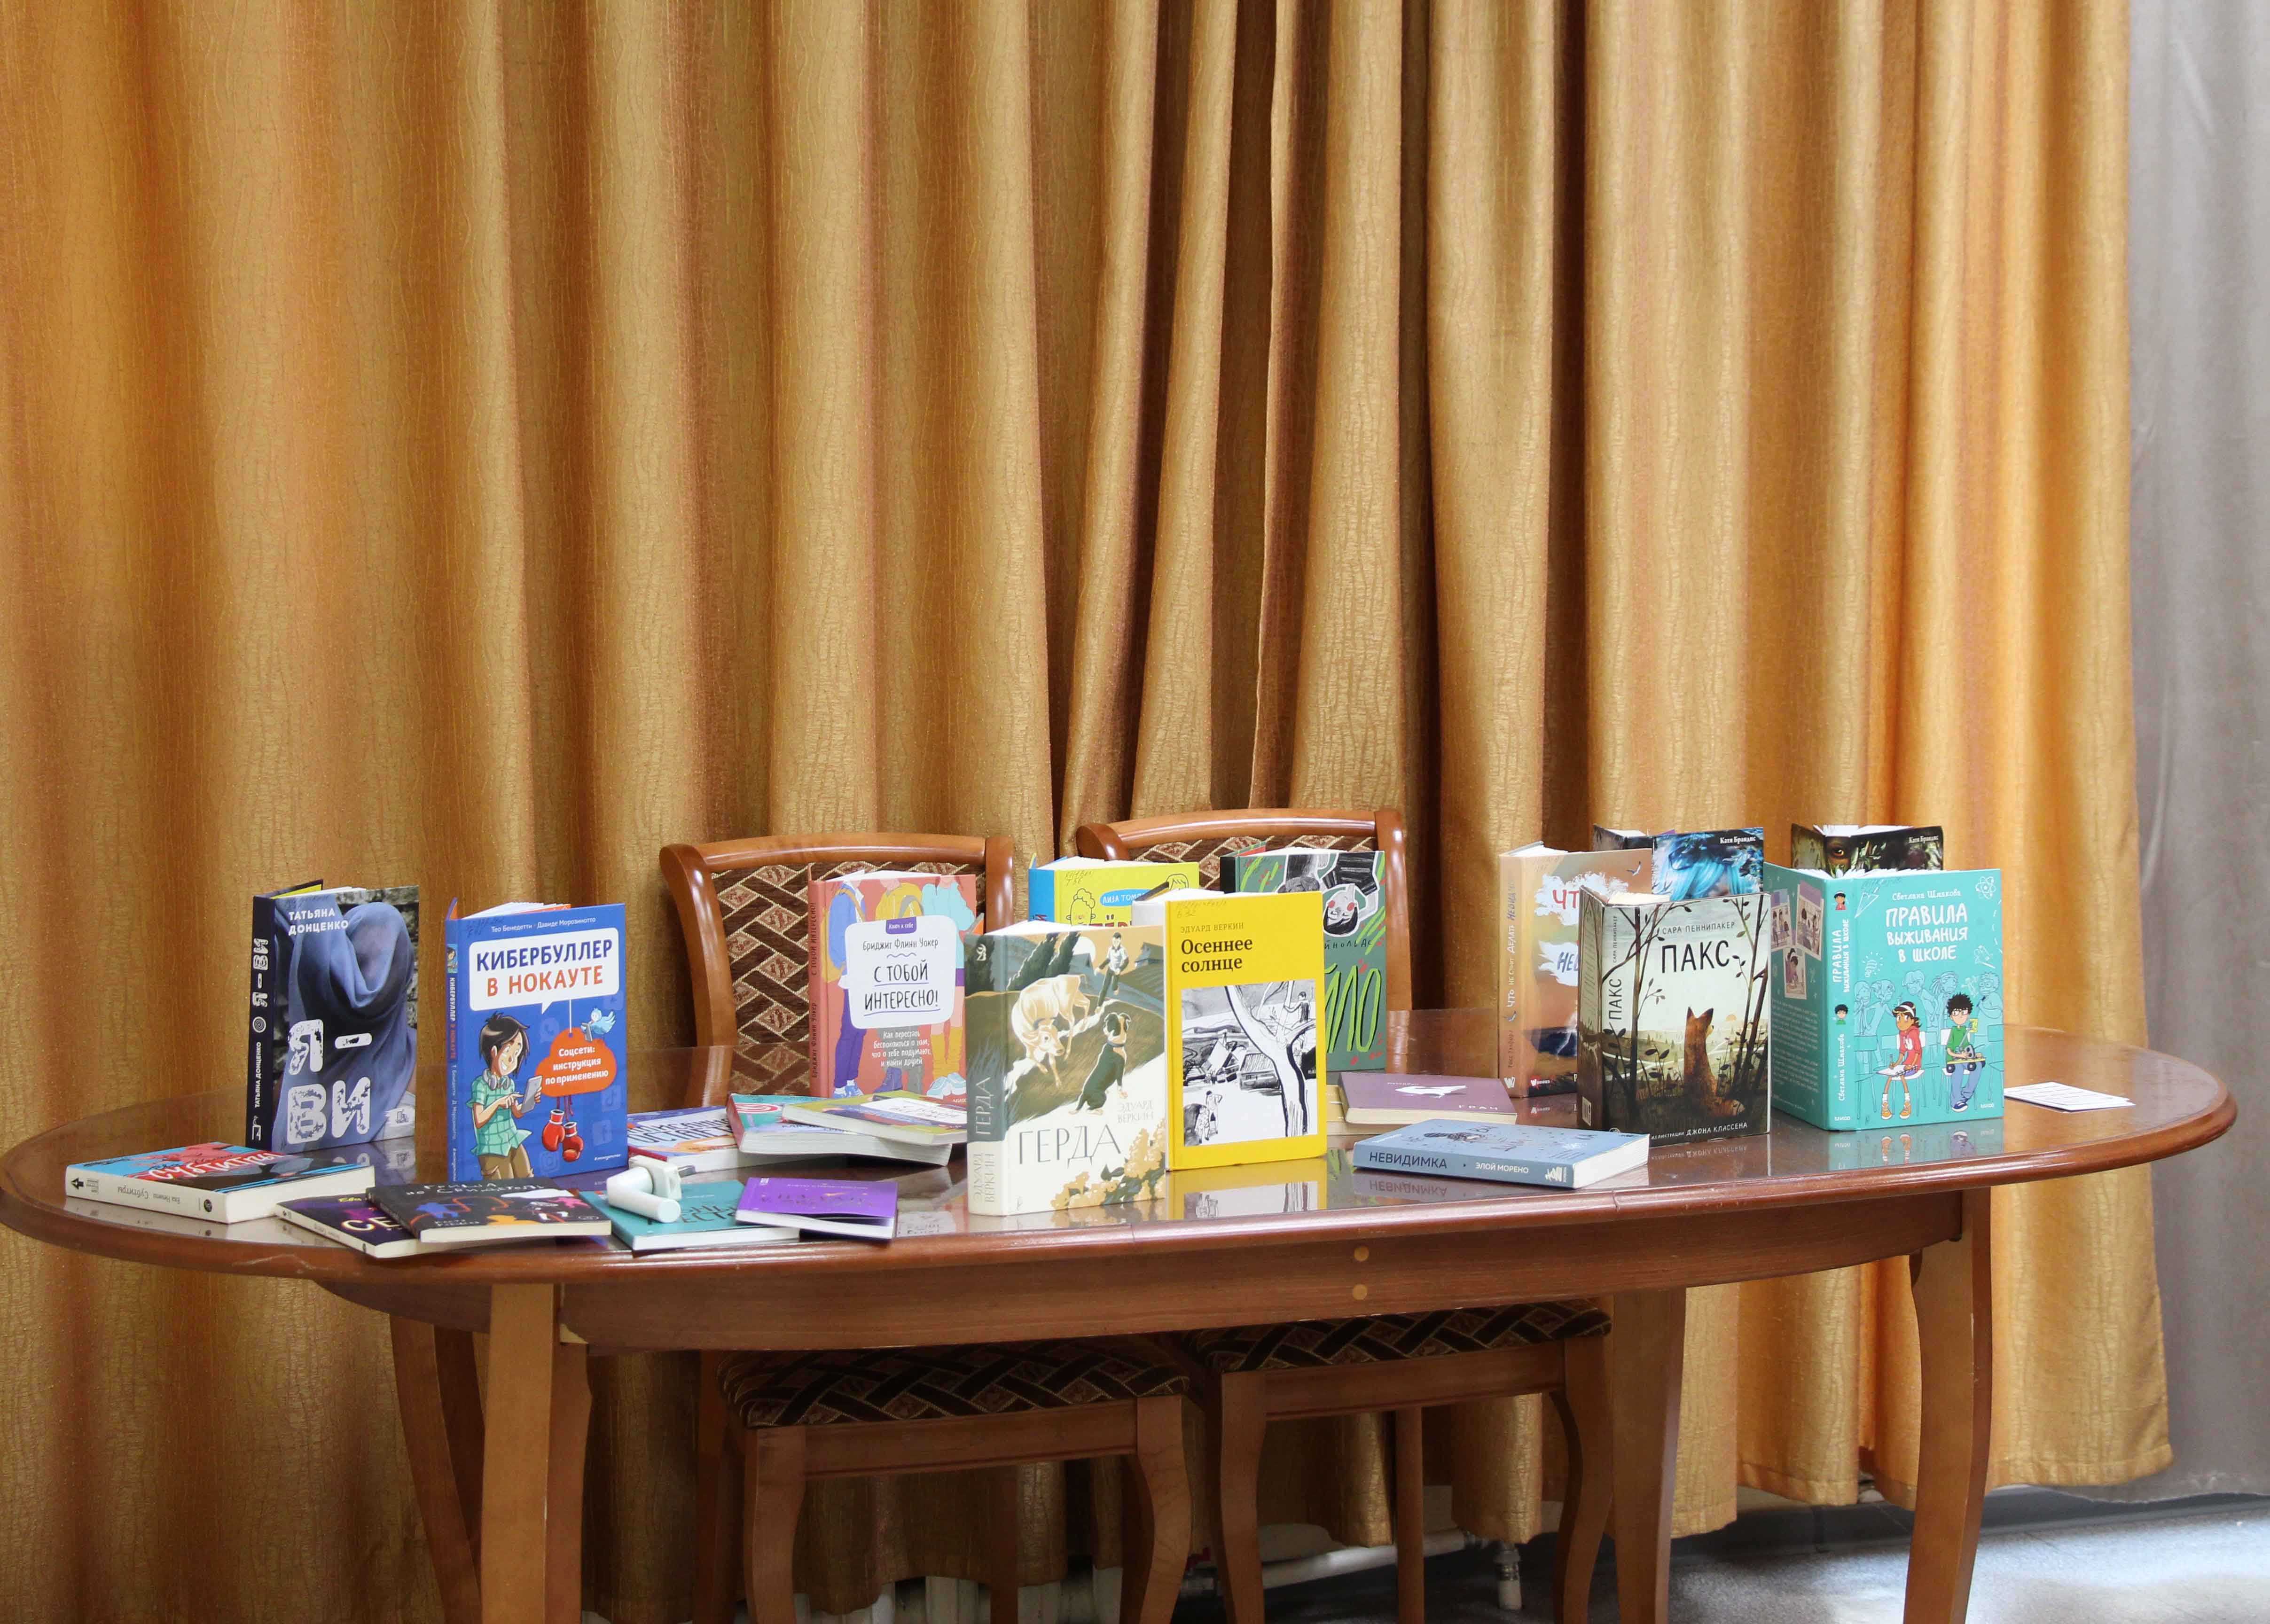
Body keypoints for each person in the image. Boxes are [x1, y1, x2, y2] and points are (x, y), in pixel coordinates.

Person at [470, 1015, 539, 1179]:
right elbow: (479, 1120)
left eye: (517, 1054)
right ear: (494, 1052)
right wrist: (498, 1103)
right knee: (507, 1186)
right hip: (492, 1148)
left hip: (512, 1139)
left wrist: (530, 1102)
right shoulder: (480, 1085)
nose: (513, 1060)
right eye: (508, 1052)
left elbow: (517, 1113)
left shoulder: (509, 1084)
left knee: (527, 1177)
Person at [1942, 992, 1987, 1110]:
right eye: (1956, 1013)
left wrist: (1974, 1055)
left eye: (1964, 1012)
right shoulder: (1953, 1031)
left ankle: (1966, 1095)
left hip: (1964, 1059)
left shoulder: (1964, 1030)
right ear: (1951, 1016)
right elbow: (1949, 1050)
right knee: (1958, 1070)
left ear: (1968, 1014)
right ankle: (1955, 1100)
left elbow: (1967, 1046)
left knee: (1978, 1065)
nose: (1961, 1016)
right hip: (1954, 1060)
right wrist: (1960, 1055)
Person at [1880, 1001, 1922, 1121]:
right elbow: (1902, 1052)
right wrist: (1896, 1064)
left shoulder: (1914, 1033)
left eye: (1904, 1018)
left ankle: (1907, 1103)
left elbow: (1918, 1051)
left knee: (1902, 1075)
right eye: (1898, 1018)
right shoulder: (1902, 1034)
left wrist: (1912, 1065)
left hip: (1915, 1065)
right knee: (1891, 1075)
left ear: (1912, 1020)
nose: (1900, 1022)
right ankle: (1885, 1104)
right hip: (1905, 1064)